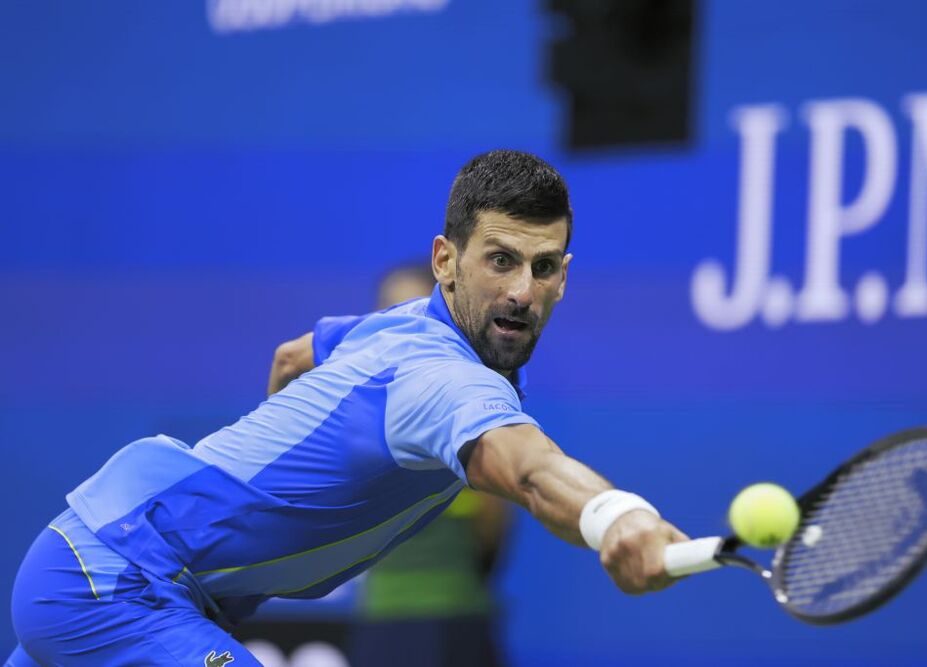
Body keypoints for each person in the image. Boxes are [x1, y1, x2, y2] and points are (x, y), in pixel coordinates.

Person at [7, 150, 689, 667]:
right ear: (446, 261)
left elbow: (290, 357)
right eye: (500, 260)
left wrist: (267, 481)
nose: (520, 290)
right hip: (117, 578)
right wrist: (617, 515)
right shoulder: (441, 379)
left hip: (106, 564)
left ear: (564, 278)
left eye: (542, 267)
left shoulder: (397, 326)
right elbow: (531, 470)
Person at [271, 263, 512, 667]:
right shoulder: (467, 404)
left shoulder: (472, 407)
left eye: (415, 310)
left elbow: (493, 524)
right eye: (391, 311)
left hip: (453, 623)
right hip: (391, 622)